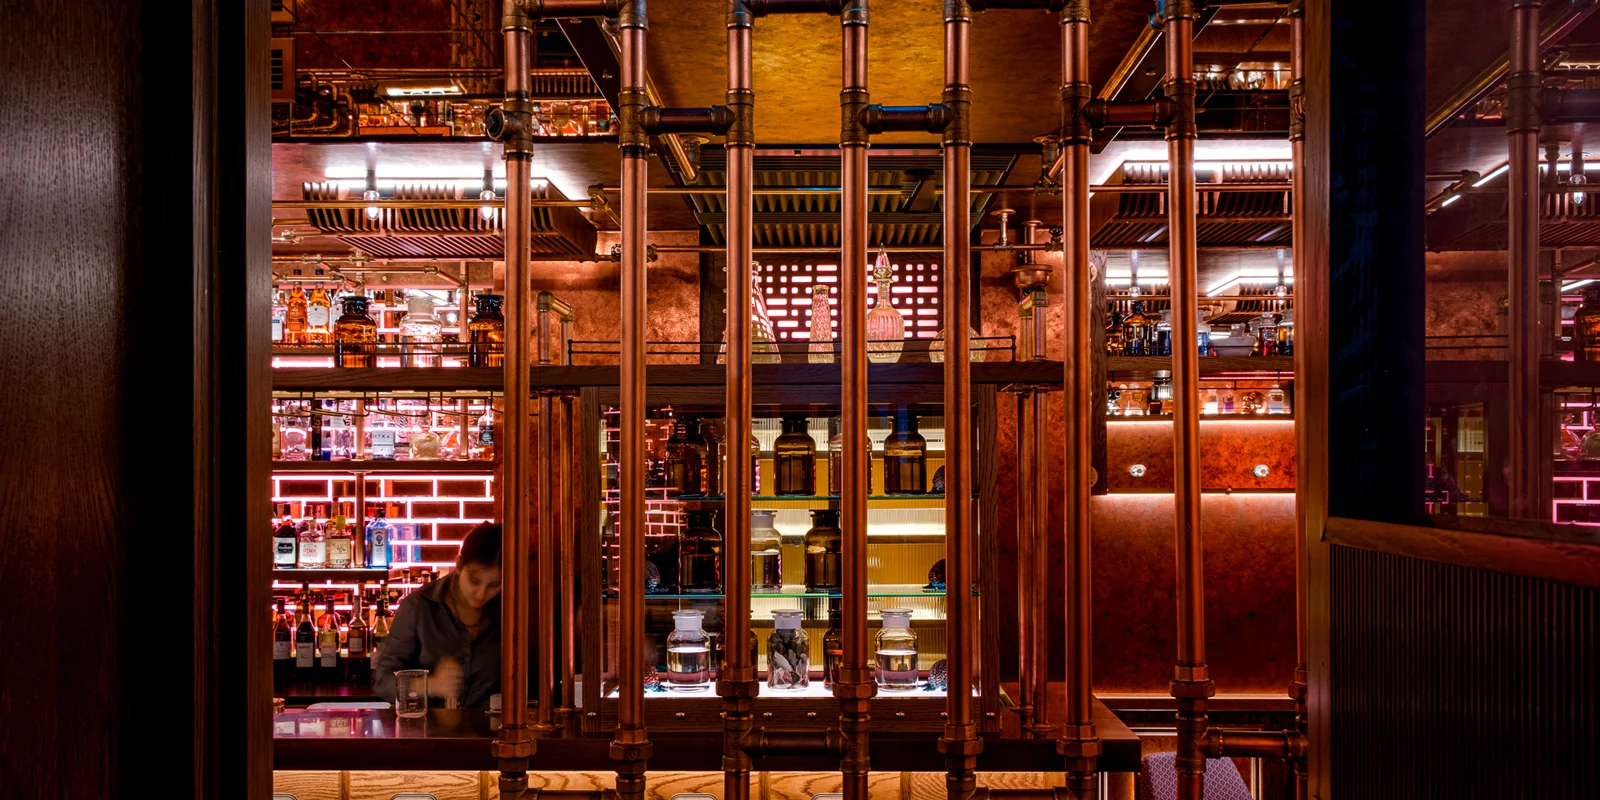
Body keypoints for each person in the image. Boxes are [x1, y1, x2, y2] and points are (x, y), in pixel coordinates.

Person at [374, 522, 503, 709]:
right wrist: (430, 684)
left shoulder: (506, 611)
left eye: (494, 585)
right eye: (474, 581)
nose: (481, 593)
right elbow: (381, 681)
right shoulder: (419, 606)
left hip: (487, 733)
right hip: (424, 731)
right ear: (459, 565)